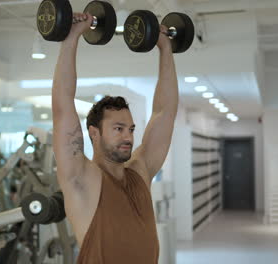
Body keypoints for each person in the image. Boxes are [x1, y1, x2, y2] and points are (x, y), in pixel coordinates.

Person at [52, 12, 179, 264]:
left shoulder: (140, 172)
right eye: (118, 128)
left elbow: (165, 112)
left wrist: (165, 49)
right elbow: (62, 105)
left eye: (131, 129)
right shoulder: (82, 179)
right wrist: (71, 39)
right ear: (94, 133)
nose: (128, 137)